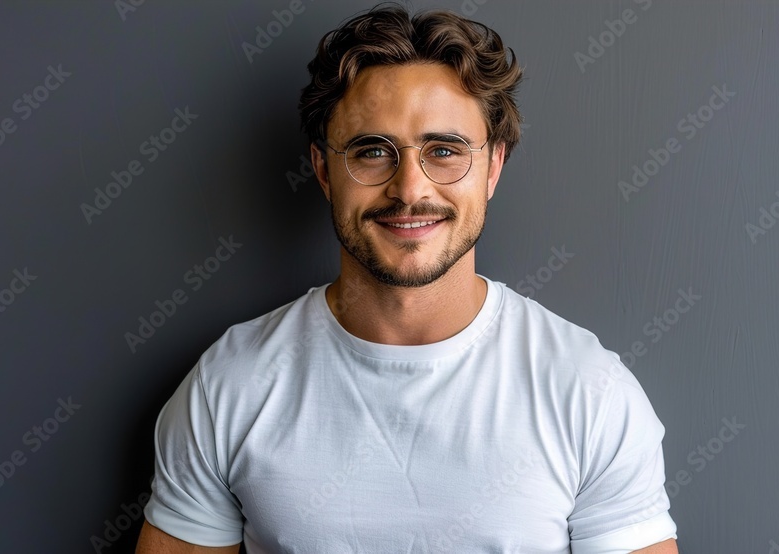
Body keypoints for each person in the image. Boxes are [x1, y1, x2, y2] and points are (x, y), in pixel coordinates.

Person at [136, 3, 678, 553]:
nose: (410, 189)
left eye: (444, 151)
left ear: (493, 167)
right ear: (323, 170)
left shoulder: (589, 393)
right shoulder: (228, 386)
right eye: (373, 151)